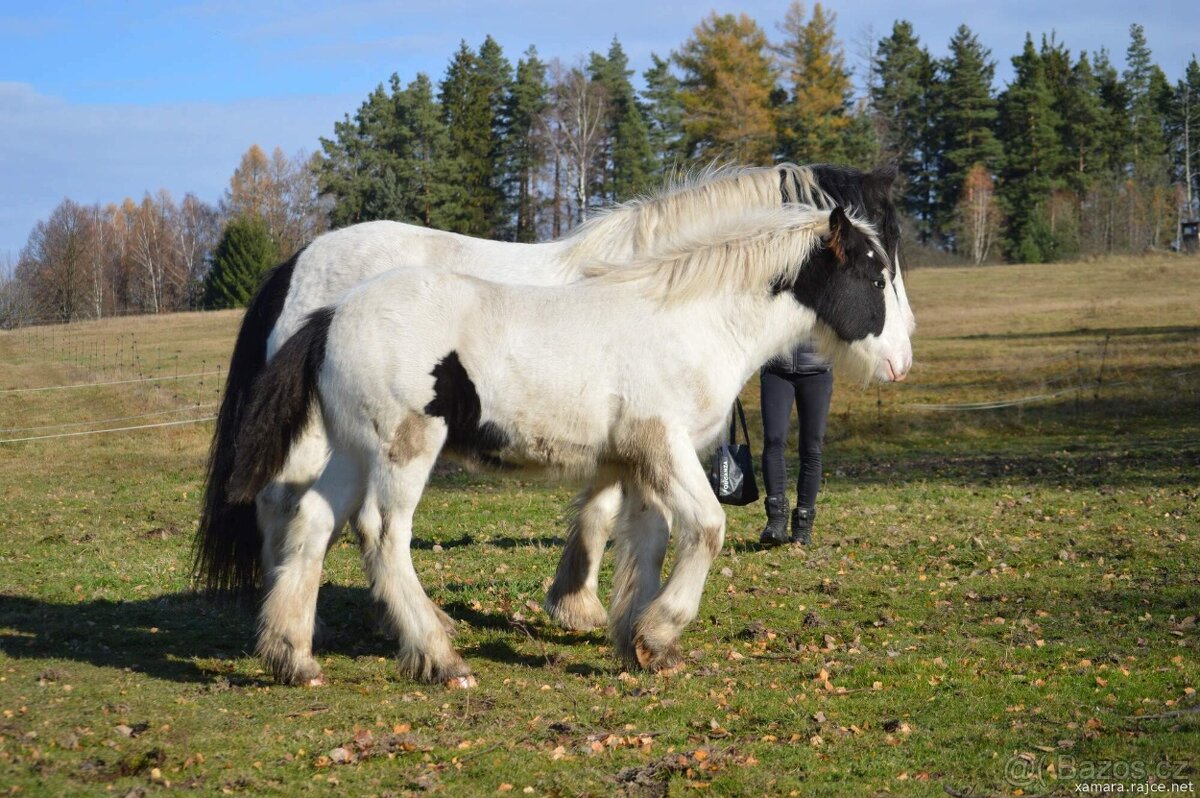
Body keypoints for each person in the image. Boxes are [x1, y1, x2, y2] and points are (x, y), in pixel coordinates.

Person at [758, 341, 833, 546]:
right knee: (773, 440)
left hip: (817, 369)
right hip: (776, 368)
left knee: (812, 447)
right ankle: (776, 521)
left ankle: (803, 525)